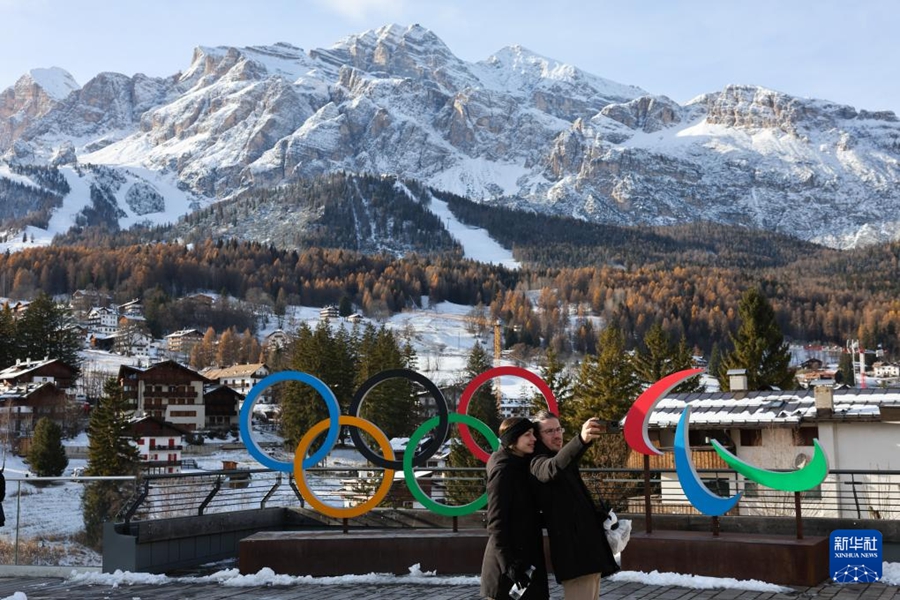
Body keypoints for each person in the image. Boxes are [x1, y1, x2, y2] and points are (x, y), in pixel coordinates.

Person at [530, 411, 619, 600]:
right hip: (575, 557)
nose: (557, 435)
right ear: (537, 437)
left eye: (558, 429)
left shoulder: (562, 459)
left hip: (589, 553)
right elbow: (552, 469)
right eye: (549, 431)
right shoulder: (537, 462)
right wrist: (581, 440)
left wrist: (600, 516)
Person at [480, 417, 549, 600]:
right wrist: (509, 566)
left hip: (526, 561)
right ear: (512, 440)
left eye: (533, 434)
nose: (534, 439)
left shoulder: (521, 463)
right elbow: (496, 523)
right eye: (527, 435)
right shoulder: (503, 471)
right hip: (508, 570)